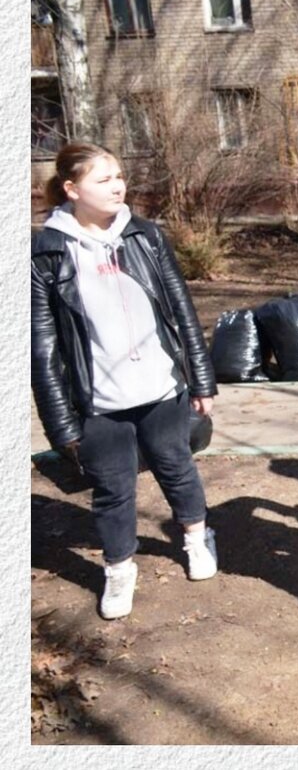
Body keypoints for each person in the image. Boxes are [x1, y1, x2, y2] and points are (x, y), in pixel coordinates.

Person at [32, 142, 218, 620]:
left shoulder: (145, 236)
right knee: (112, 489)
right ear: (72, 189)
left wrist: (201, 381)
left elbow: (181, 312)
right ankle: (118, 570)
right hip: (98, 402)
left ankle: (197, 537)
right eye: (103, 179)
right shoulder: (47, 251)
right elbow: (43, 346)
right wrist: (61, 425)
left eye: (119, 175)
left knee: (176, 465)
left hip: (161, 388)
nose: (118, 186)